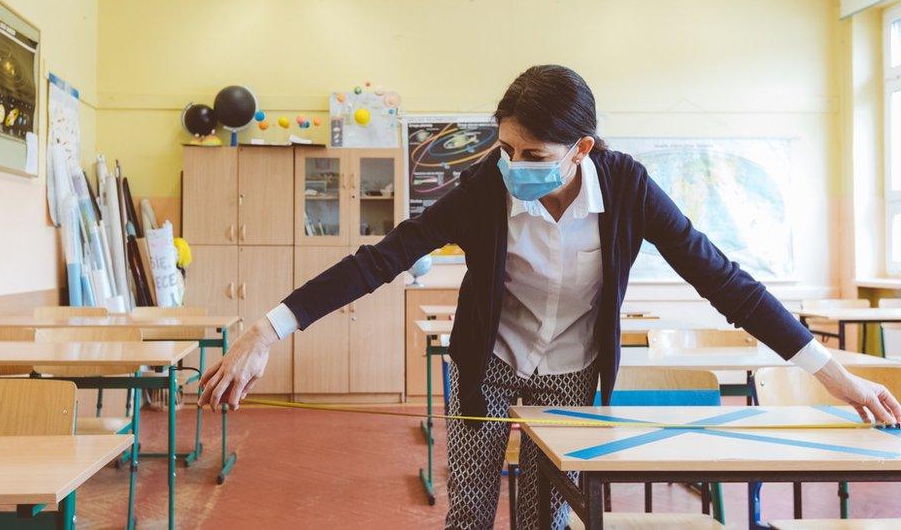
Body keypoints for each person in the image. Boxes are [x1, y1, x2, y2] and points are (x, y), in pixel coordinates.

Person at [198, 64, 901, 529]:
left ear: (581, 149)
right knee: (470, 509)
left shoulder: (627, 187)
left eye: (533, 156)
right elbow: (382, 258)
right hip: (486, 365)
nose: (513, 166)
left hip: (571, 371)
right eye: (505, 147)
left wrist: (832, 374)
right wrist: (270, 328)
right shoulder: (484, 187)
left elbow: (723, 278)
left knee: (545, 515)